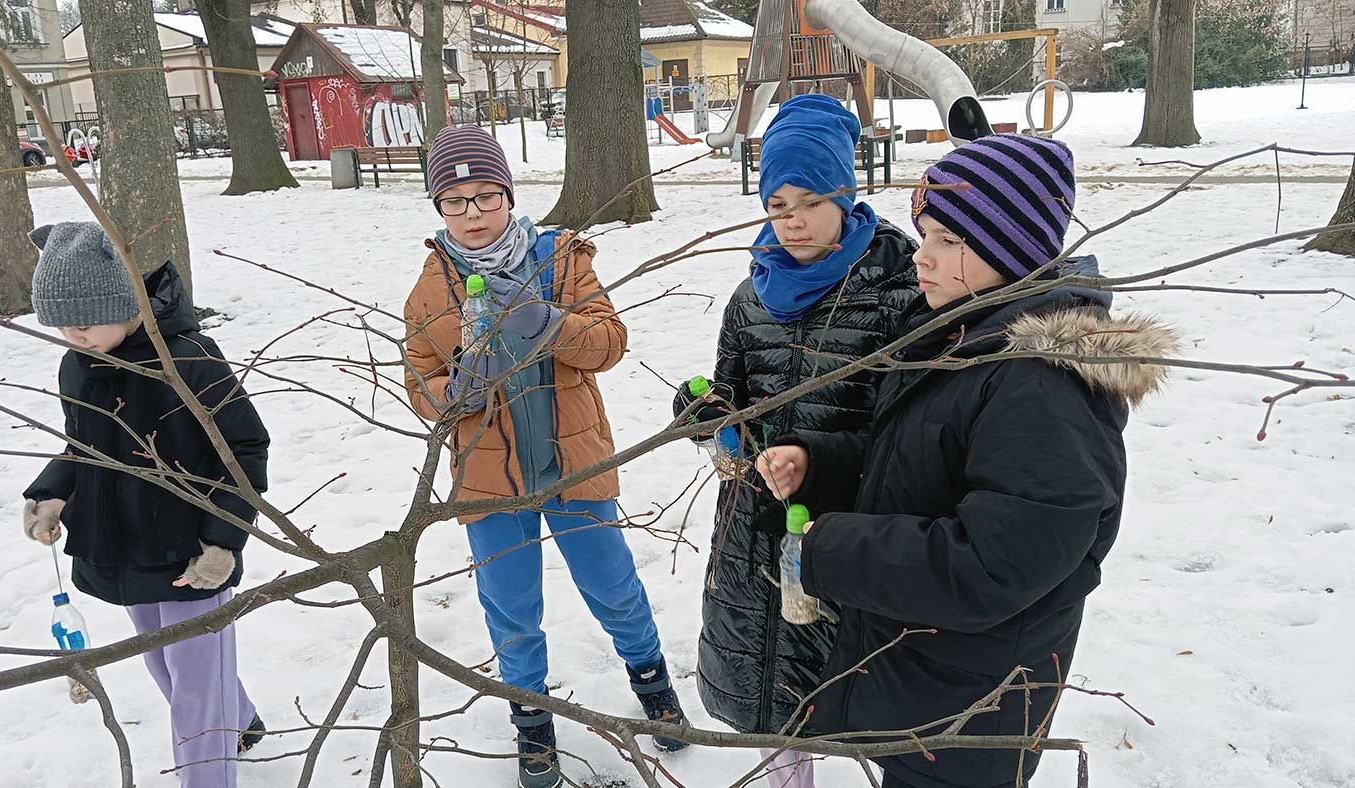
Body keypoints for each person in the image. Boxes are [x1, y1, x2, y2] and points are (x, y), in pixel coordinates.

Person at [756, 134, 1178, 788]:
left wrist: (831, 551)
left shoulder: (1042, 387)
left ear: (1010, 250)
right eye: (925, 234)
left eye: (947, 241)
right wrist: (821, 464)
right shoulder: (967, 338)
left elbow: (991, 564)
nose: (920, 257)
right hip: (933, 680)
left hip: (973, 710)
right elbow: (925, 461)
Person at [402, 126, 688, 788]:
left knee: (614, 588)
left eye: (486, 196)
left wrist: (547, 323)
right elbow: (419, 377)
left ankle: (652, 682)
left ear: (508, 194)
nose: (473, 214)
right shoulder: (430, 291)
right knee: (510, 607)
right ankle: (532, 725)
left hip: (575, 466)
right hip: (488, 479)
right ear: (438, 209)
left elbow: (610, 344)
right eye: (455, 200)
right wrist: (454, 394)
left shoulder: (561, 260)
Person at [670, 93, 919, 788]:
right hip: (754, 534)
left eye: (810, 199)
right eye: (777, 203)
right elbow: (733, 403)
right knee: (769, 702)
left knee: (844, 695)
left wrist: (819, 463)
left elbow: (908, 433)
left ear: (846, 191)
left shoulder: (897, 294)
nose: (794, 220)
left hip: (845, 530)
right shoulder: (751, 298)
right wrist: (707, 414)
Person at [21, 222, 270, 788]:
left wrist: (223, 541)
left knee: (194, 685)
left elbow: (245, 447)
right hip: (120, 543)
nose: (72, 335)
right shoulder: (78, 363)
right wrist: (50, 490)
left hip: (190, 552)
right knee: (166, 665)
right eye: (60, 326)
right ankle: (243, 721)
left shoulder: (190, 359)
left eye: (83, 323)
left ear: (126, 303)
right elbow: (84, 444)